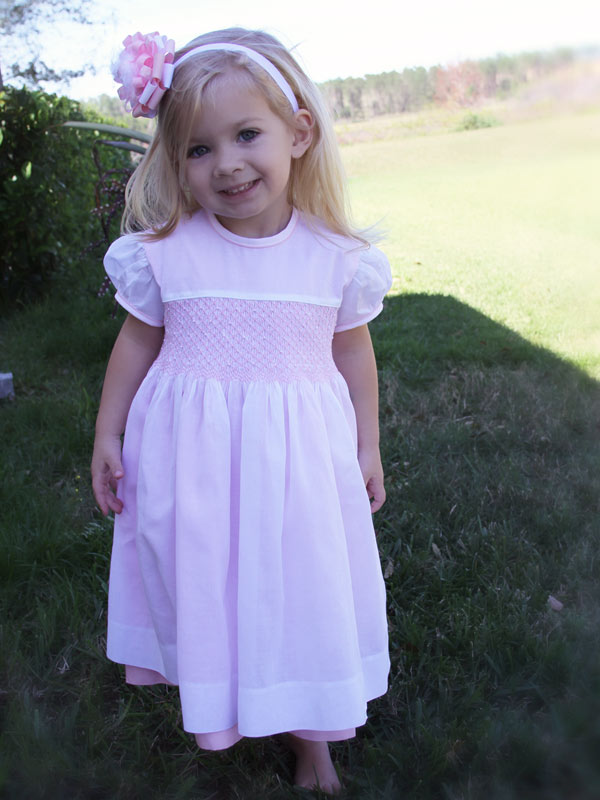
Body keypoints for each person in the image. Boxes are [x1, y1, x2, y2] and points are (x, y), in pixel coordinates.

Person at [91, 27, 391, 794]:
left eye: (247, 135)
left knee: (299, 589)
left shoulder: (332, 258)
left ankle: (312, 737)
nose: (225, 163)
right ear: (174, 161)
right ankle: (224, 696)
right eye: (198, 148)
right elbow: (136, 344)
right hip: (194, 468)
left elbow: (352, 354)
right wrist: (107, 431)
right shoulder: (167, 251)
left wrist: (368, 446)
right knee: (215, 584)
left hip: (299, 468)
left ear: (298, 133)